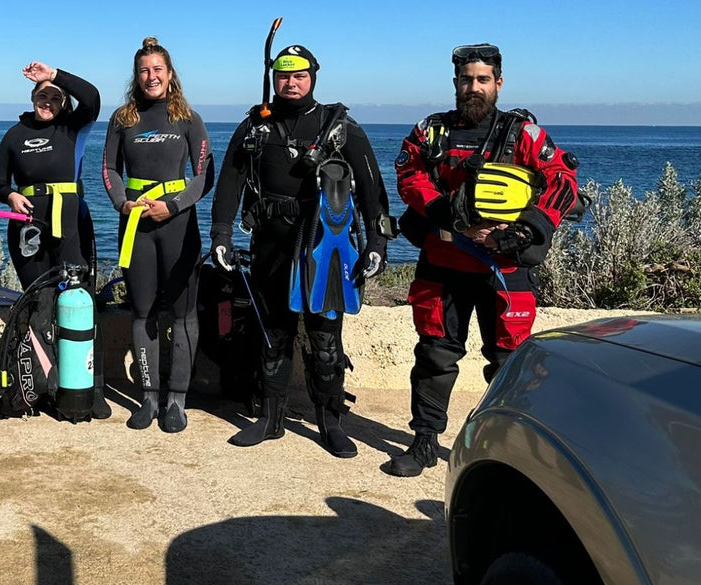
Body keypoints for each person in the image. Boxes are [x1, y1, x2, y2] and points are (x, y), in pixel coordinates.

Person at [384, 43, 581, 477]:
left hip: (506, 268)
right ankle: (423, 442)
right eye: (466, 80)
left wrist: (526, 229)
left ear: (498, 84)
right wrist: (441, 210)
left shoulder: (524, 135)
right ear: (455, 83)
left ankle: (508, 451)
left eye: (482, 80)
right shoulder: (429, 131)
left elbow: (562, 181)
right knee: (435, 355)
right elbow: (408, 174)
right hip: (444, 261)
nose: (473, 87)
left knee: (510, 363)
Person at [210, 44, 391, 458]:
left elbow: (371, 190)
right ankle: (271, 419)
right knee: (273, 335)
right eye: (283, 76)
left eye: (299, 76)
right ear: (274, 78)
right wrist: (221, 233)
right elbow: (230, 183)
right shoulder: (256, 126)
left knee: (326, 339)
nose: (291, 83)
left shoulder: (339, 126)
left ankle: (330, 421)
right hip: (271, 246)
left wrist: (377, 245)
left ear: (313, 77)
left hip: (325, 248)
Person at [102, 37, 213, 433]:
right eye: (145, 70)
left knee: (183, 313)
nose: (152, 77)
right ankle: (149, 398)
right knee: (143, 312)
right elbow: (109, 170)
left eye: (158, 70)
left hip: (178, 226)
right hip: (136, 227)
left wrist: (175, 205)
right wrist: (121, 203)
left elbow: (204, 176)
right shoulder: (123, 118)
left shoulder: (188, 118)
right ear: (137, 76)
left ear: (170, 74)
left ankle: (177, 402)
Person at [0, 61, 106, 415]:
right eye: (42, 96)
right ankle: (40, 385)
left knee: (80, 304)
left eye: (55, 96)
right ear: (32, 98)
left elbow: (93, 97)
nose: (48, 101)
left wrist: (53, 74)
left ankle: (88, 388)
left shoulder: (71, 128)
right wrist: (9, 195)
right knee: (39, 305)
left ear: (64, 103)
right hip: (28, 231)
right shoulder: (14, 134)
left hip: (70, 230)